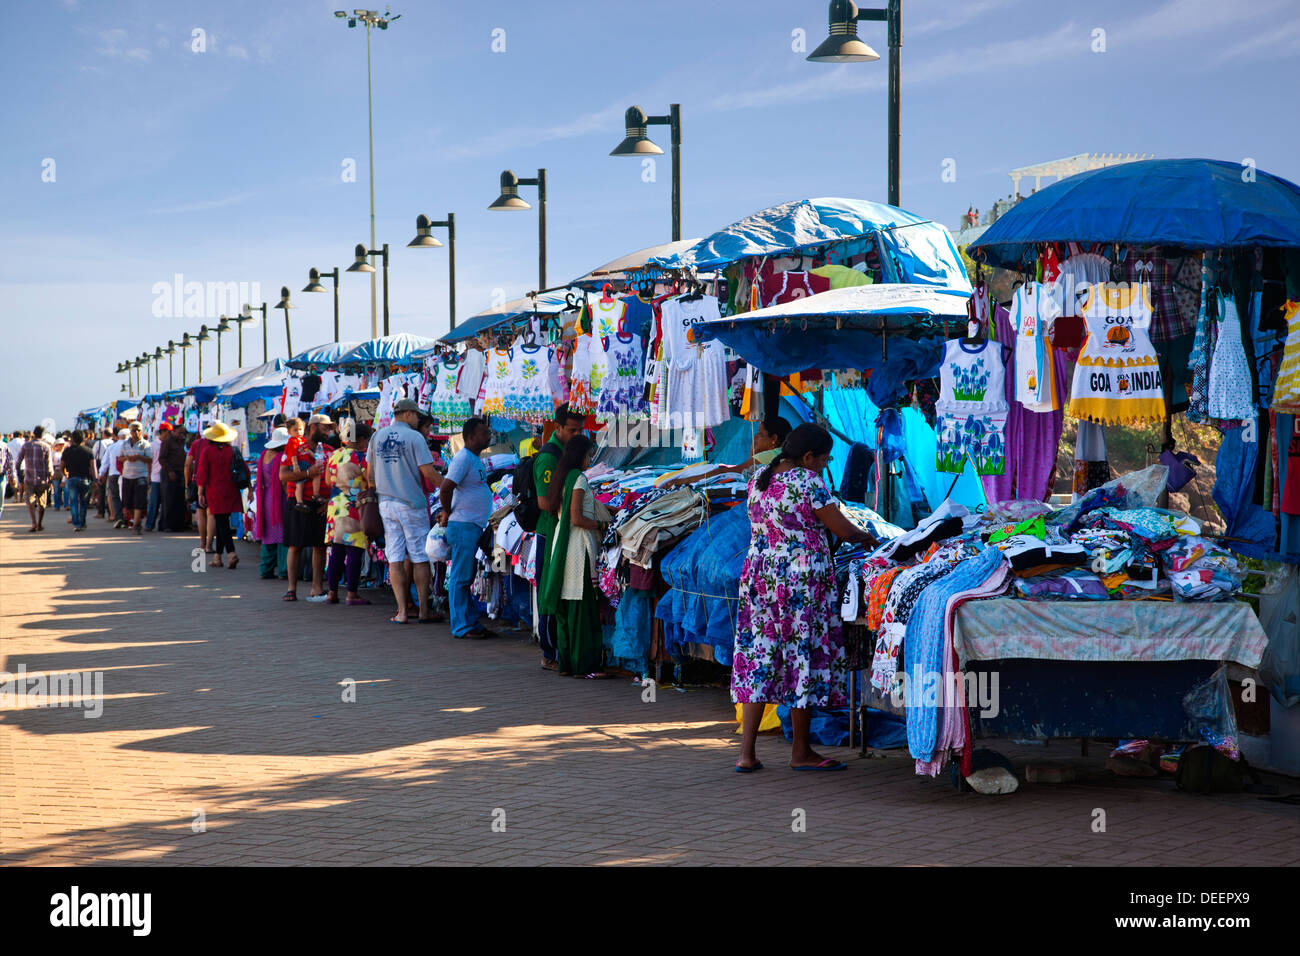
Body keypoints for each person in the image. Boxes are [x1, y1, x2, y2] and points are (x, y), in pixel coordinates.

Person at [731, 422, 878, 773]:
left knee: (758, 659)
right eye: (825, 460)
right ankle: (801, 752)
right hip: (800, 581)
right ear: (809, 456)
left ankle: (746, 754)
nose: (825, 466)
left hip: (759, 577)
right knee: (802, 657)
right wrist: (868, 538)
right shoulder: (808, 482)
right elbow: (841, 528)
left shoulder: (760, 478)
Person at [537, 434, 607, 677]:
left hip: (563, 545)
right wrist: (600, 525)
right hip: (577, 548)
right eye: (589, 455)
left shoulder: (562, 477)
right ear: (581, 455)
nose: (590, 459)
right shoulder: (578, 478)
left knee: (567, 608)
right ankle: (585, 666)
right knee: (583, 608)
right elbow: (577, 518)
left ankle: (568, 664)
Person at [370, 400, 442, 624]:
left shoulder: (377, 436)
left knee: (395, 557)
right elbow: (428, 472)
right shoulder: (415, 437)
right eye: (416, 415)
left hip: (386, 503)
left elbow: (369, 474)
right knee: (420, 557)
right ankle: (423, 610)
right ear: (408, 413)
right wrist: (448, 488)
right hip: (411, 503)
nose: (418, 420)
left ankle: (401, 612)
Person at [532, 404, 586, 670]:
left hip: (559, 533)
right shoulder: (548, 458)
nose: (577, 435)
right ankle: (549, 652)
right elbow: (545, 502)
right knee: (550, 593)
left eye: (581, 431)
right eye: (572, 430)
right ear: (559, 427)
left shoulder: (567, 453)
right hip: (549, 533)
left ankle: (558, 649)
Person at [438, 417, 493, 639]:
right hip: (463, 525)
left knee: (466, 577)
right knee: (461, 578)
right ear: (470, 437)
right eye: (484, 433)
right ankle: (461, 626)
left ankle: (470, 623)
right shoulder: (463, 459)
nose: (488, 436)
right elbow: (446, 487)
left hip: (472, 525)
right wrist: (447, 510)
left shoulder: (473, 459)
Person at [279, 415, 335, 601]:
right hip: (298, 501)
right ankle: (291, 589)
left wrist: (329, 502)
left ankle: (317, 588)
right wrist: (306, 473)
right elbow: (283, 475)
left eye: (329, 428)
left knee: (320, 546)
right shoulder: (296, 446)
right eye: (325, 428)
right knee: (295, 545)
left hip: (321, 504)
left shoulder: (329, 450)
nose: (328, 432)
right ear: (313, 427)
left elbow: (337, 478)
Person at [660, 416, 792, 489]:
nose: (755, 437)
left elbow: (725, 471)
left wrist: (684, 480)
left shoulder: (770, 456)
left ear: (773, 439)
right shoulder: (784, 453)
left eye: (759, 434)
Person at [326, 421, 373, 606]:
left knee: (336, 551)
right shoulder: (362, 458)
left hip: (334, 506)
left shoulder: (335, 455)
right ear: (361, 439)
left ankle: (332, 593)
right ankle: (352, 594)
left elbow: (328, 480)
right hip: (355, 506)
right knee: (354, 550)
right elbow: (370, 481)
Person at [194, 422, 243, 568]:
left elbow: (202, 474)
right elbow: (244, 470)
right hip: (231, 490)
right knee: (223, 521)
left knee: (222, 523)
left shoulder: (207, 451)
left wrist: (200, 492)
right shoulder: (233, 451)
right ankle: (217, 557)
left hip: (215, 491)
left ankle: (231, 553)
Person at [255, 427, 290, 579]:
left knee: (268, 536)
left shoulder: (264, 455)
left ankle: (265, 569)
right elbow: (283, 482)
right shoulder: (282, 456)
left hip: (265, 498)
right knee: (282, 534)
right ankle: (284, 570)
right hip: (278, 499)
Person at [118, 422, 152, 536]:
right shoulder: (124, 444)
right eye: (133, 430)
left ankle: (136, 526)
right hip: (127, 476)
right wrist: (127, 458)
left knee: (139, 502)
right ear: (130, 432)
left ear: (141, 431)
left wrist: (138, 457)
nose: (136, 432)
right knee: (127, 503)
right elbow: (120, 458)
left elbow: (150, 459)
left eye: (138, 430)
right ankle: (136, 520)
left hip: (140, 476)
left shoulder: (145, 444)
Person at [20, 426, 53, 533]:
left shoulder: (26, 446)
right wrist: (50, 479)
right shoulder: (46, 447)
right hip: (42, 480)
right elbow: (49, 465)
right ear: (42, 435)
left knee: (30, 501)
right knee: (42, 503)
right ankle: (39, 523)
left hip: (29, 478)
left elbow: (17, 462)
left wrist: (20, 476)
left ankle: (33, 522)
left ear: (33, 433)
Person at [61, 430, 95, 532]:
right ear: (84, 438)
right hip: (85, 480)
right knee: (84, 503)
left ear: (72, 439)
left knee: (74, 502)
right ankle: (83, 522)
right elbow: (93, 468)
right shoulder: (89, 451)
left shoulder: (67, 451)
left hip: (72, 479)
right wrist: (95, 480)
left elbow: (62, 466)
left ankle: (76, 523)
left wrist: (65, 474)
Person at [157, 425, 188, 531]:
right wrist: (170, 471)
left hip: (179, 473)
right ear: (173, 432)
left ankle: (178, 525)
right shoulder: (167, 441)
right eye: (180, 433)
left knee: (179, 499)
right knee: (168, 499)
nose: (182, 436)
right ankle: (167, 525)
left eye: (183, 434)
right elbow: (162, 458)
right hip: (169, 473)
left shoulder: (181, 442)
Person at [185, 429, 211, 550]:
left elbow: (188, 464)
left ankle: (203, 543)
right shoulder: (223, 445)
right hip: (215, 483)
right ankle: (209, 545)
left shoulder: (197, 444)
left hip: (198, 480)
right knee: (211, 514)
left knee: (201, 512)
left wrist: (187, 481)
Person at [100, 428, 128, 527]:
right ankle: (127, 518)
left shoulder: (112, 447)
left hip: (113, 474)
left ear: (118, 437)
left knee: (115, 497)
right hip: (127, 475)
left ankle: (119, 517)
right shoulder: (129, 446)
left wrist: (101, 474)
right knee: (126, 496)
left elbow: (105, 462)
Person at [144, 426, 164, 531]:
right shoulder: (153, 445)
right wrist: (149, 475)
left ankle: (161, 525)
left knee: (164, 503)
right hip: (156, 477)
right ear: (162, 433)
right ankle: (149, 524)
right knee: (154, 503)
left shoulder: (167, 444)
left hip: (165, 478)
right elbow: (149, 462)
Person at [50, 437, 66, 511]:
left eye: (62, 444)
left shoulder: (65, 452)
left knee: (66, 490)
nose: (61, 446)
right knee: (56, 490)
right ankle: (57, 505)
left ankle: (66, 505)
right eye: (60, 444)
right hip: (55, 471)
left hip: (64, 471)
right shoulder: (53, 453)